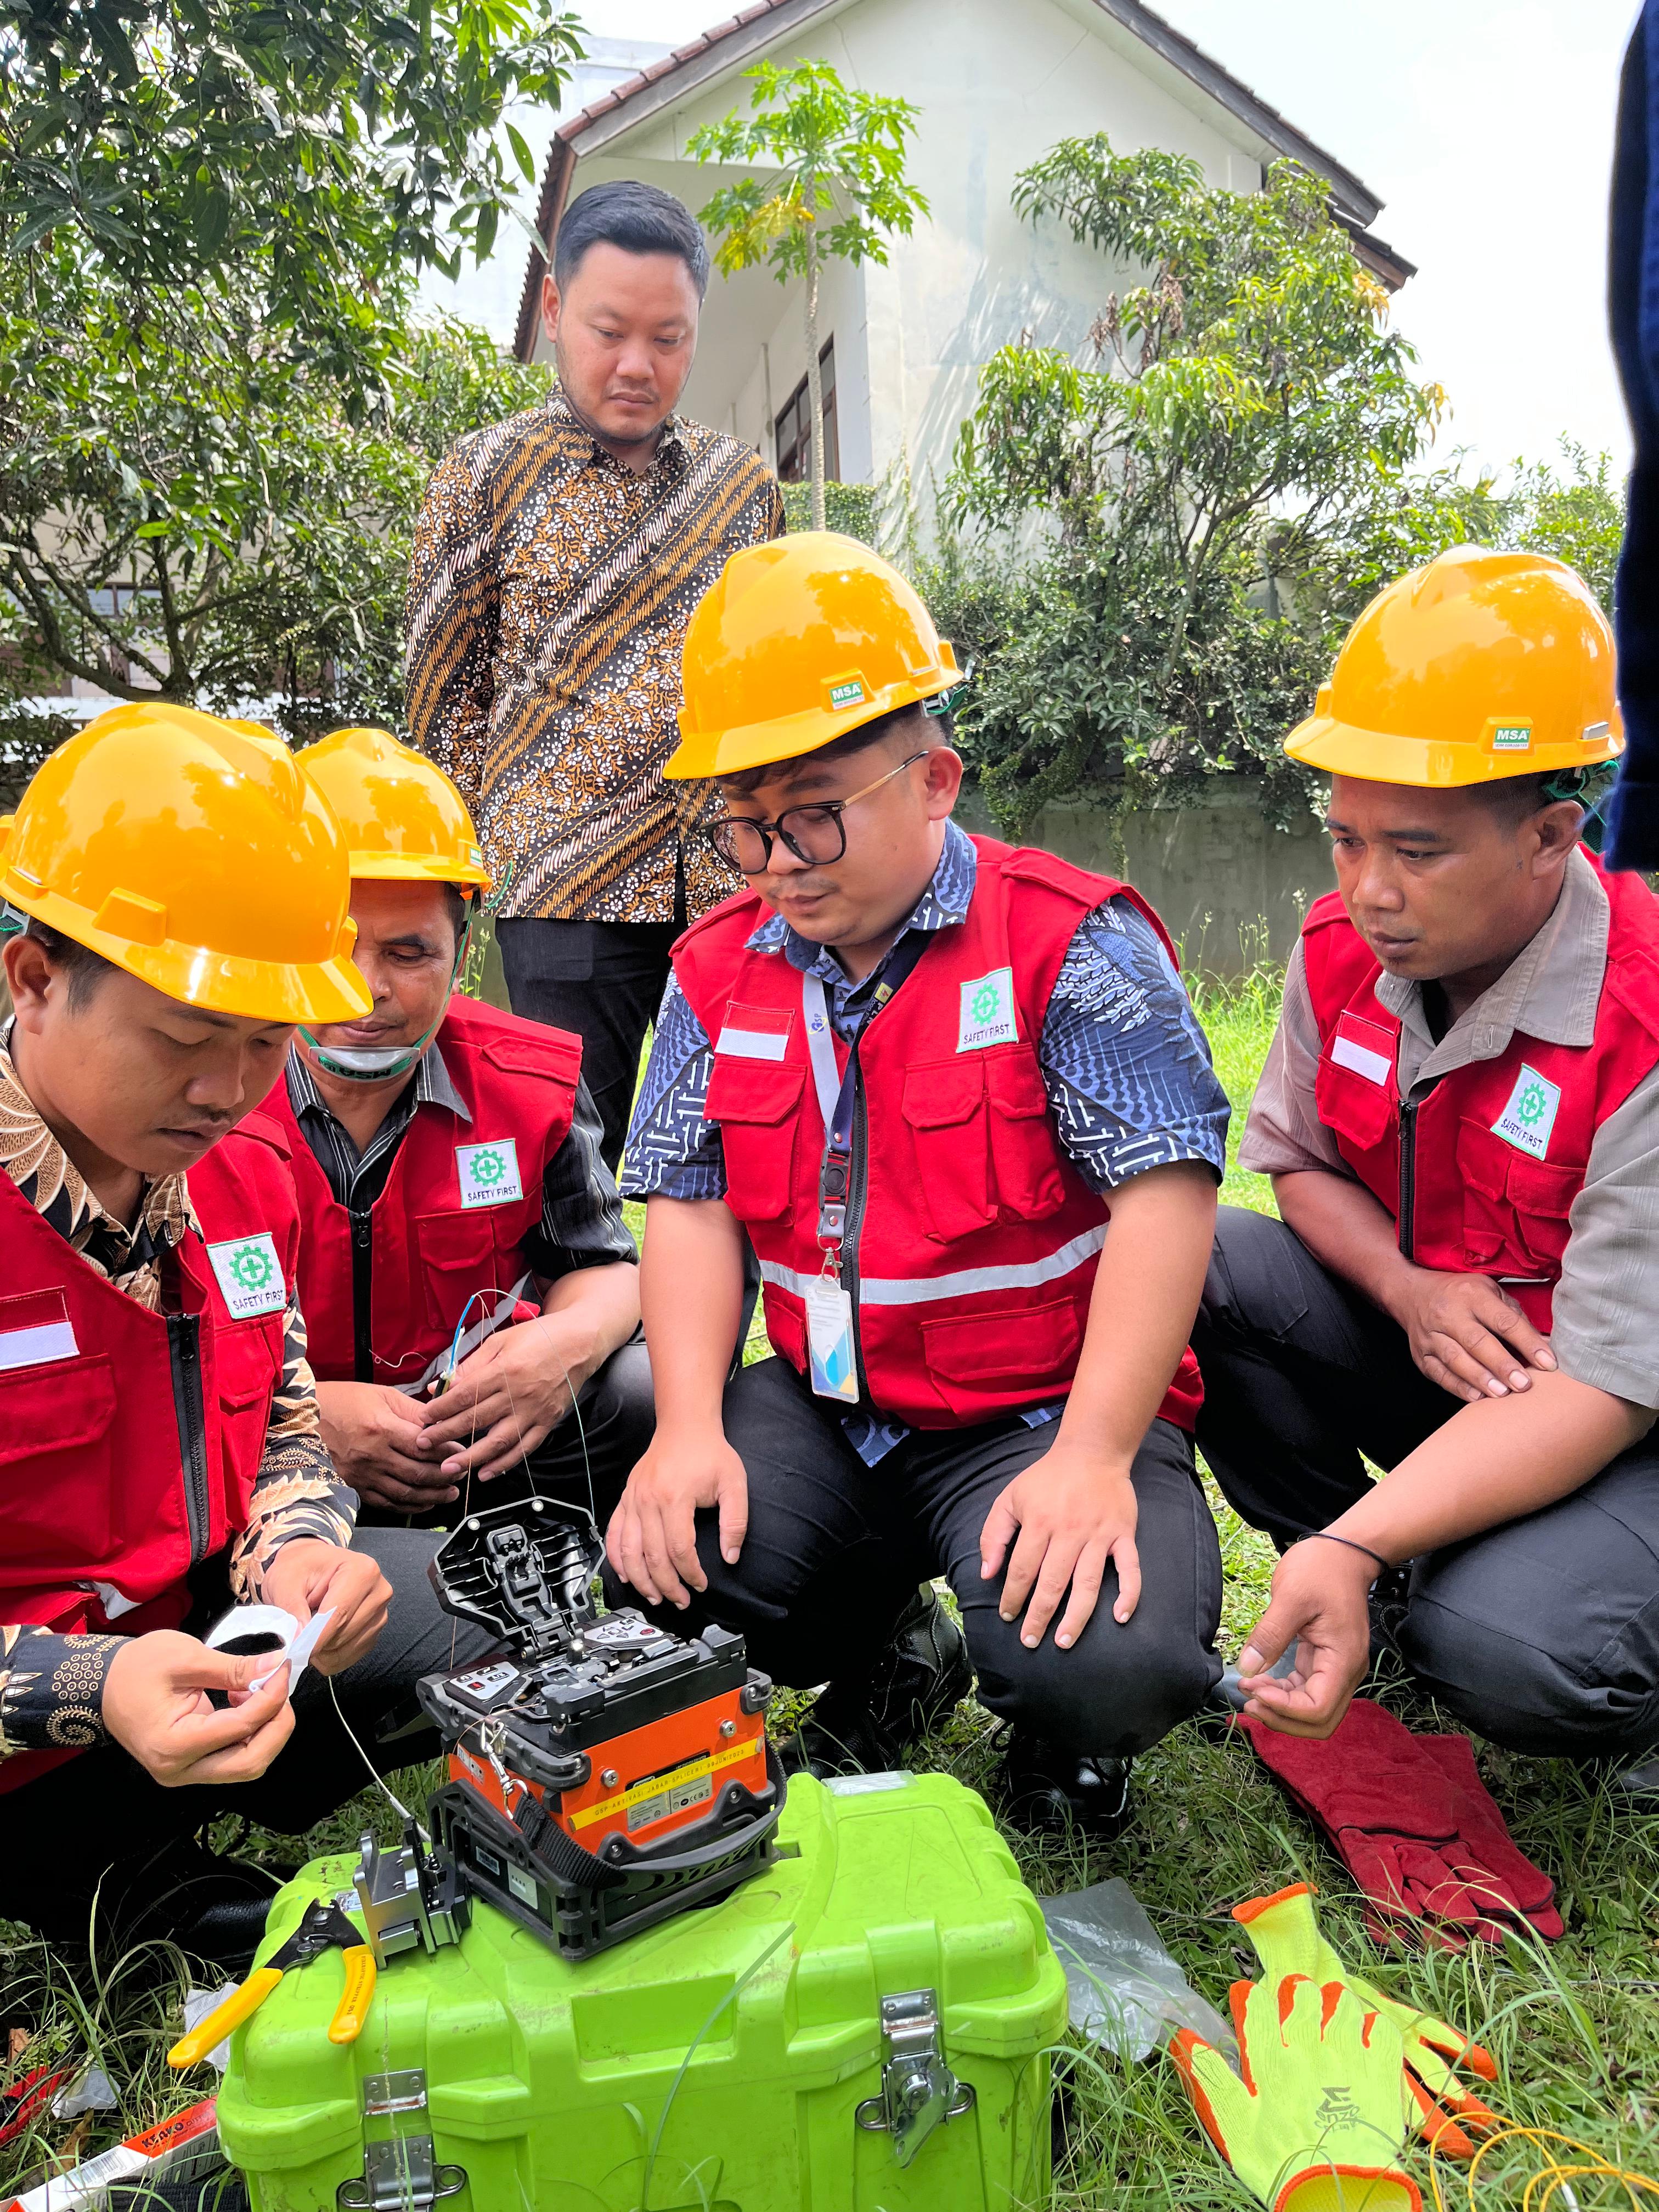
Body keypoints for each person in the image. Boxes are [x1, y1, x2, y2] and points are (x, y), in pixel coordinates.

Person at [610, 534, 1231, 1834]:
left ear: (934, 779)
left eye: (816, 810)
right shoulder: (719, 970)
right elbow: (686, 1197)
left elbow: (1166, 1200)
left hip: (1033, 1414)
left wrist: (1097, 1454)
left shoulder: (1070, 939)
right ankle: (898, 1643)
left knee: (1110, 1658)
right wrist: (685, 1429)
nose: (780, 859)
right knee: (665, 1574)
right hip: (836, 1408)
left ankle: (1072, 1738)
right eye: (744, 823)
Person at [0, 703, 494, 1967]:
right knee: (131, 1907)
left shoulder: (237, 1173)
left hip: (210, 1652)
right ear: (36, 979)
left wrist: (296, 1556)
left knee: (474, 1621)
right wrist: (90, 1688)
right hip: (45, 1724)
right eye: (182, 1040)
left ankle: (172, 1845)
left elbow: (279, 1421)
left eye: (267, 1044)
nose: (226, 1090)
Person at [1194, 547, 1659, 1788]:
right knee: (1205, 1262)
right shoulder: (1342, 946)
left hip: (1617, 1413)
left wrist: (1358, 1537)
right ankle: (1356, 1600)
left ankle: (1430, 1589)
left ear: (1554, 834)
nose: (1369, 889)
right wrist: (1406, 1286)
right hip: (1458, 1362)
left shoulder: (1646, 1023)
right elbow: (1296, 1166)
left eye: (1417, 850)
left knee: (1518, 1649)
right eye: (1344, 839)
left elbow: (1612, 1383)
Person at [405, 178, 785, 1175]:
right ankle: (584, 1332)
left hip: (729, 882)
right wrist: (434, 900)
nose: (636, 365)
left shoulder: (742, 490)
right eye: (610, 330)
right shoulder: (482, 476)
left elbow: (768, 685)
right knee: (572, 1161)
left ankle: (722, 1336)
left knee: (745, 1148)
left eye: (669, 339)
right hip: (563, 884)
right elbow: (446, 702)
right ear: (555, 311)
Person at [267, 726, 649, 1529]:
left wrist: (565, 1345)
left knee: (641, 1389)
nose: (366, 991)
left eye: (410, 954)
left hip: (477, 1451)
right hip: (268, 1481)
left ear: (464, 950)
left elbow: (607, 1266)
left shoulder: (531, 1083)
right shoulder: (202, 1098)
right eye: (331, 950)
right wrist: (301, 1421)